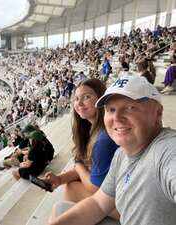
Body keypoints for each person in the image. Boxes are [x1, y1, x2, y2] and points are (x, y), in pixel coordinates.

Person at [48, 75, 176, 225]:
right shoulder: (121, 154)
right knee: (61, 209)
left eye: (130, 107)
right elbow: (98, 204)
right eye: (111, 109)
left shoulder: (166, 150)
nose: (117, 117)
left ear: (158, 113)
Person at [43, 78, 119, 220]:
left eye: (86, 97)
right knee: (70, 186)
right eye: (77, 98)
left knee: (71, 189)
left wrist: (77, 167)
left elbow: (95, 187)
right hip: (113, 197)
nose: (79, 103)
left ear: (101, 100)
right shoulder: (92, 129)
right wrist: (59, 179)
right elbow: (86, 168)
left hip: (123, 206)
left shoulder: (104, 139)